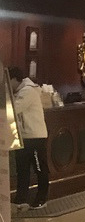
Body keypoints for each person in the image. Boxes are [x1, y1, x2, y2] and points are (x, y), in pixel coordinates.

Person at [8, 66, 49, 213]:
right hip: (23, 137)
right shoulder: (19, 91)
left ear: (14, 79)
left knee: (39, 168)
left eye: (8, 81)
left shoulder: (28, 91)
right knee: (22, 170)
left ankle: (41, 199)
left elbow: (14, 109)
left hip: (35, 136)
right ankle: (21, 199)